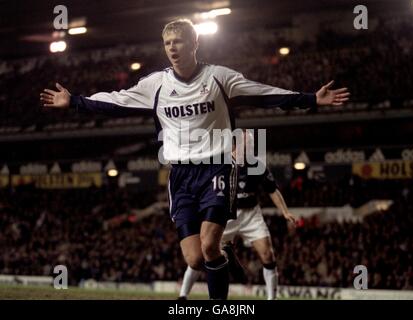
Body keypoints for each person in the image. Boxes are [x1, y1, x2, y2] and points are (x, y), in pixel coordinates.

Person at [40, 19, 350, 299]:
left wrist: (311, 99)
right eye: (167, 43)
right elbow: (117, 101)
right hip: (180, 176)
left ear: (194, 43)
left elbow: (265, 94)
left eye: (179, 41)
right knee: (194, 259)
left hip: (217, 166)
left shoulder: (219, 78)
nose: (172, 48)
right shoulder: (156, 85)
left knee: (209, 244)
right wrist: (74, 102)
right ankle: (226, 266)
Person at [179, 149, 297, 300]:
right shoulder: (220, 164)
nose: (246, 147)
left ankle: (271, 298)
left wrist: (285, 212)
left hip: (251, 214)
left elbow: (272, 190)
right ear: (233, 147)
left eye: (249, 144)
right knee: (204, 253)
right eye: (242, 143)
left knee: (268, 254)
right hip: (227, 213)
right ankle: (183, 295)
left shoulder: (257, 165)